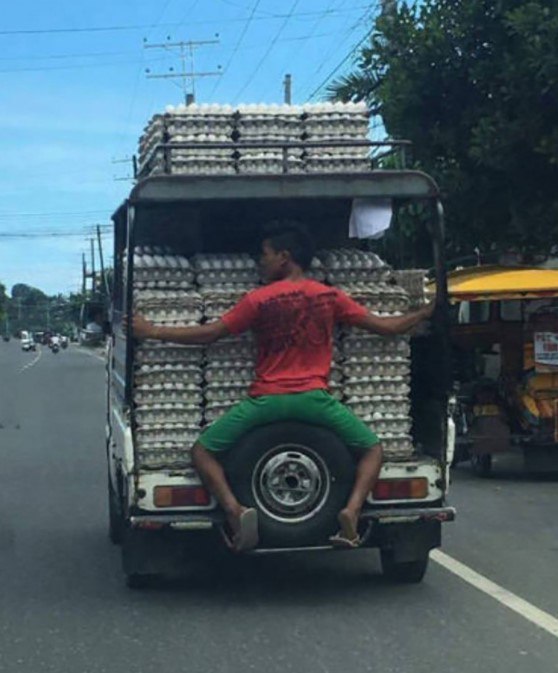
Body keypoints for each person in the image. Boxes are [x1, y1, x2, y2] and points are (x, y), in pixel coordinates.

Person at [129, 221, 435, 552]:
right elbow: (386, 327)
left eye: (265, 254)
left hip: (268, 400)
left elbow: (210, 334)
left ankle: (236, 512)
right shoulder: (328, 296)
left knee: (203, 451)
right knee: (373, 449)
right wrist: (426, 311)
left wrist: (153, 331)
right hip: (315, 401)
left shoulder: (258, 300)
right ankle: (351, 511)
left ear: (284, 257)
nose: (260, 262)